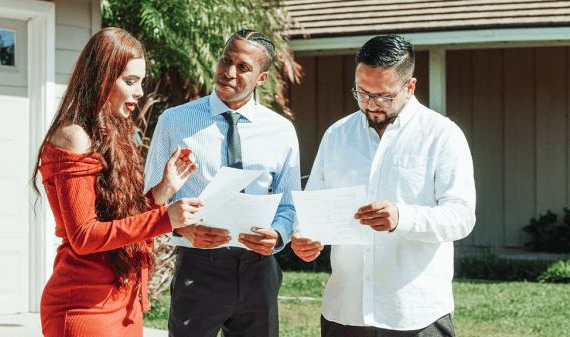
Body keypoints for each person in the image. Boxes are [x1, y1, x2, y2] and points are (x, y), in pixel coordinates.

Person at [291, 35, 476, 336]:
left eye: (384, 96)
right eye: (362, 93)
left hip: (415, 315)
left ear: (410, 87)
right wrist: (304, 235)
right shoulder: (336, 135)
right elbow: (312, 206)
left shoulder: (443, 135)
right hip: (344, 311)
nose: (371, 105)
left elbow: (462, 216)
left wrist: (403, 218)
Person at [30, 27, 204, 337]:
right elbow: (84, 236)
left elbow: (122, 224)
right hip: (85, 310)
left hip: (124, 304)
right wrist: (164, 218)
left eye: (141, 82)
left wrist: (162, 191)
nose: (139, 92)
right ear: (101, 79)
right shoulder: (74, 138)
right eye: (130, 81)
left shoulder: (112, 134)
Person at [143, 28, 301, 337]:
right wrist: (181, 227)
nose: (229, 73)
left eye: (243, 67)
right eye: (225, 60)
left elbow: (289, 203)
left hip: (259, 268)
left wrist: (279, 234)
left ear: (262, 78)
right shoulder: (174, 121)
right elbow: (150, 196)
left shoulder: (281, 131)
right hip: (197, 265)